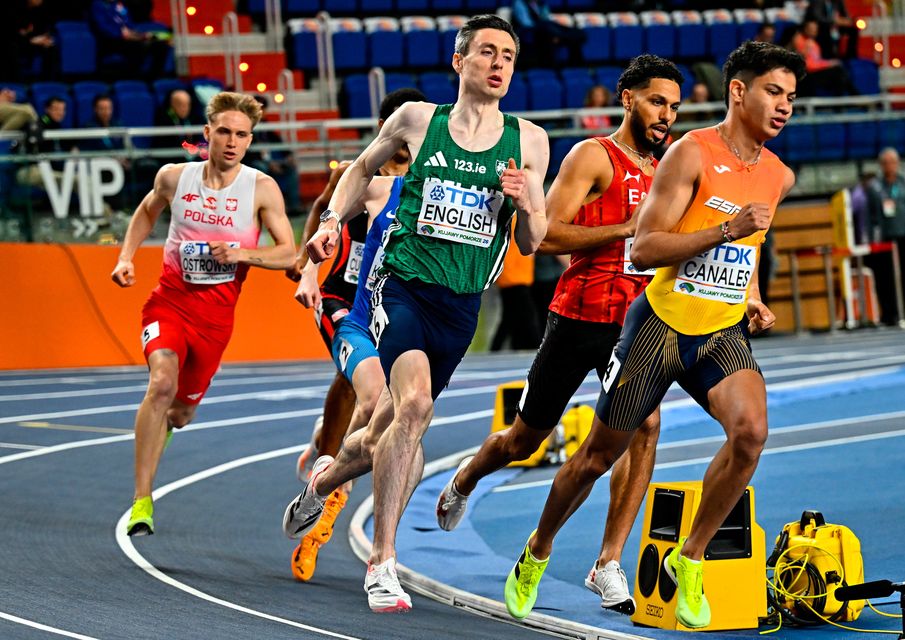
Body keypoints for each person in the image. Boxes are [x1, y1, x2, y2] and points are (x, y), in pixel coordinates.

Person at [503, 41, 804, 629]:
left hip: (718, 330)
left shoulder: (779, 175)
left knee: (751, 434)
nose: (785, 105)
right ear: (738, 92)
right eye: (774, 91)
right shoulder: (691, 154)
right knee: (594, 458)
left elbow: (750, 249)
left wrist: (752, 296)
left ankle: (690, 561)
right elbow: (643, 248)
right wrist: (724, 230)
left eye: (792, 96)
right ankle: (536, 554)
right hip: (658, 326)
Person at [281, 14, 549, 613]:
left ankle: (322, 482)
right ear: (460, 62)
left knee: (385, 430)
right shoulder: (417, 121)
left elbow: (534, 240)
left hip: (461, 305)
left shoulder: (529, 140)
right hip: (399, 288)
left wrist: (526, 201)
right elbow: (359, 170)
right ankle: (384, 561)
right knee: (415, 406)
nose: (499, 63)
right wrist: (328, 225)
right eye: (486, 52)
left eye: (508, 54)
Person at [436, 54, 683, 616]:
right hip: (579, 318)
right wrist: (627, 228)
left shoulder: (672, 165)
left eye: (673, 105)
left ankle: (608, 562)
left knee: (645, 429)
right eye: (655, 101)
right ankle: (467, 477)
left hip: (639, 323)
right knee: (525, 441)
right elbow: (544, 236)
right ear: (628, 100)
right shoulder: (594, 157)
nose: (666, 114)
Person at [111, 91, 295, 536]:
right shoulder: (175, 177)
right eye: (225, 132)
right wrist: (126, 257)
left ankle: (168, 426)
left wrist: (242, 254)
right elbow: (146, 211)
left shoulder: (261, 188)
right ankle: (141, 501)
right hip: (169, 302)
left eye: (243, 135)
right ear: (208, 133)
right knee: (161, 383)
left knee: (180, 413)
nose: (233, 142)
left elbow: (289, 252)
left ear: (250, 140)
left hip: (215, 321)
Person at [287, 87, 426, 583]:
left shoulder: (431, 179)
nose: (403, 143)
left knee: (376, 409)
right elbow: (325, 212)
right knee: (367, 399)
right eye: (396, 131)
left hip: (397, 310)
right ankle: (321, 518)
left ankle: (325, 458)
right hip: (346, 303)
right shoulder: (360, 173)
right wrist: (306, 271)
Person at [866, 148, 905, 326]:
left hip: (903, 236)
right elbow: (869, 216)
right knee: (885, 279)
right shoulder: (875, 187)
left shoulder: (903, 183)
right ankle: (890, 314)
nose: (890, 166)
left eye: (893, 162)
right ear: (881, 165)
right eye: (886, 162)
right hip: (884, 240)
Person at [490, 222, 541, 351]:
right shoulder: (514, 217)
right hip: (514, 275)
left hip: (513, 274)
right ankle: (538, 346)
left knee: (509, 316)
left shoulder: (515, 218)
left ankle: (497, 348)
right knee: (528, 314)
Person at [90, 0, 170, 79]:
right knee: (140, 46)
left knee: (160, 46)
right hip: (110, 40)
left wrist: (131, 32)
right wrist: (120, 32)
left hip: (128, 38)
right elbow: (102, 27)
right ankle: (134, 77)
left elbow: (128, 20)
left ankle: (154, 77)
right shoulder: (98, 4)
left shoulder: (119, 4)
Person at [792, 19, 858, 97]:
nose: (814, 31)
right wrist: (828, 64)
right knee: (838, 72)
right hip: (809, 74)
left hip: (817, 71)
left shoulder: (815, 44)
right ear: (805, 29)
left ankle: (846, 99)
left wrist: (829, 63)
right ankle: (853, 97)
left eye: (815, 29)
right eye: (811, 29)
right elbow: (808, 65)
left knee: (840, 73)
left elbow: (817, 61)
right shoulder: (799, 40)